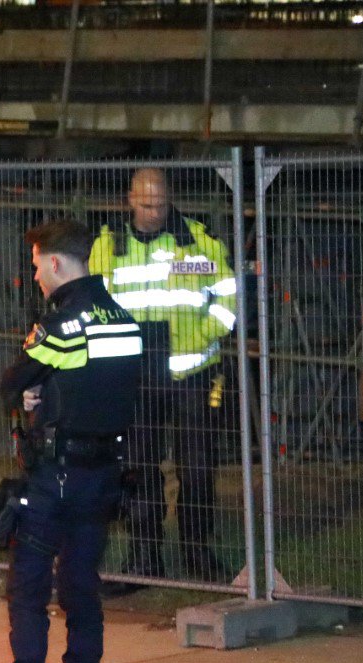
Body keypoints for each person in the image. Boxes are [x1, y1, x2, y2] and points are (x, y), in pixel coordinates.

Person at [0, 218, 143, 663]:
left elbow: (11, 382)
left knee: (27, 588)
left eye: (37, 268)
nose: (37, 279)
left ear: (56, 263)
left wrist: (30, 397)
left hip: (55, 476)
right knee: (82, 590)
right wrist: (47, 397)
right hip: (104, 476)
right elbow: (91, 386)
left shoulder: (63, 324)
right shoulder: (125, 321)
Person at [89, 168, 237, 594]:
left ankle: (197, 552)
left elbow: (228, 297)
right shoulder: (109, 247)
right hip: (135, 377)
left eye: (160, 203)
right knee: (137, 469)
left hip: (192, 372)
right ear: (129, 200)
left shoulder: (197, 241)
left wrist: (202, 335)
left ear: (169, 199)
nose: (153, 212)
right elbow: (94, 305)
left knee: (198, 466)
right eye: (145, 204)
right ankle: (144, 558)